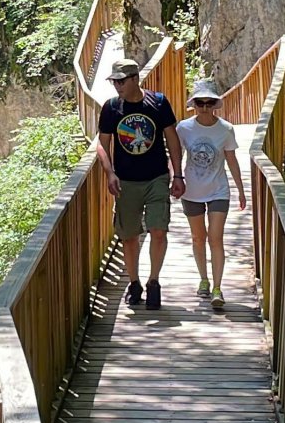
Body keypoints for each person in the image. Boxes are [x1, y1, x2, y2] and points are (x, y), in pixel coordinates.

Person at [96, 58, 184, 310]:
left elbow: (172, 140)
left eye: (121, 81)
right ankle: (134, 283)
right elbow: (102, 145)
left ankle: (153, 282)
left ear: (135, 79)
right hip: (126, 181)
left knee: (159, 230)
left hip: (157, 177)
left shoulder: (157, 103)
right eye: (114, 82)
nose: (117, 86)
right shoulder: (112, 108)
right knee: (129, 235)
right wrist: (109, 173)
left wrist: (177, 175)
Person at [175, 78, 245, 309]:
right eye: (200, 103)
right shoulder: (183, 128)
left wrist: (241, 190)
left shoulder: (225, 129)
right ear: (193, 104)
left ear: (215, 104)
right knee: (198, 238)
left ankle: (217, 287)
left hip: (218, 191)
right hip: (192, 190)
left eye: (209, 103)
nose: (205, 107)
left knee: (216, 238)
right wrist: (174, 179)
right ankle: (203, 279)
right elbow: (175, 156)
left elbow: (232, 160)